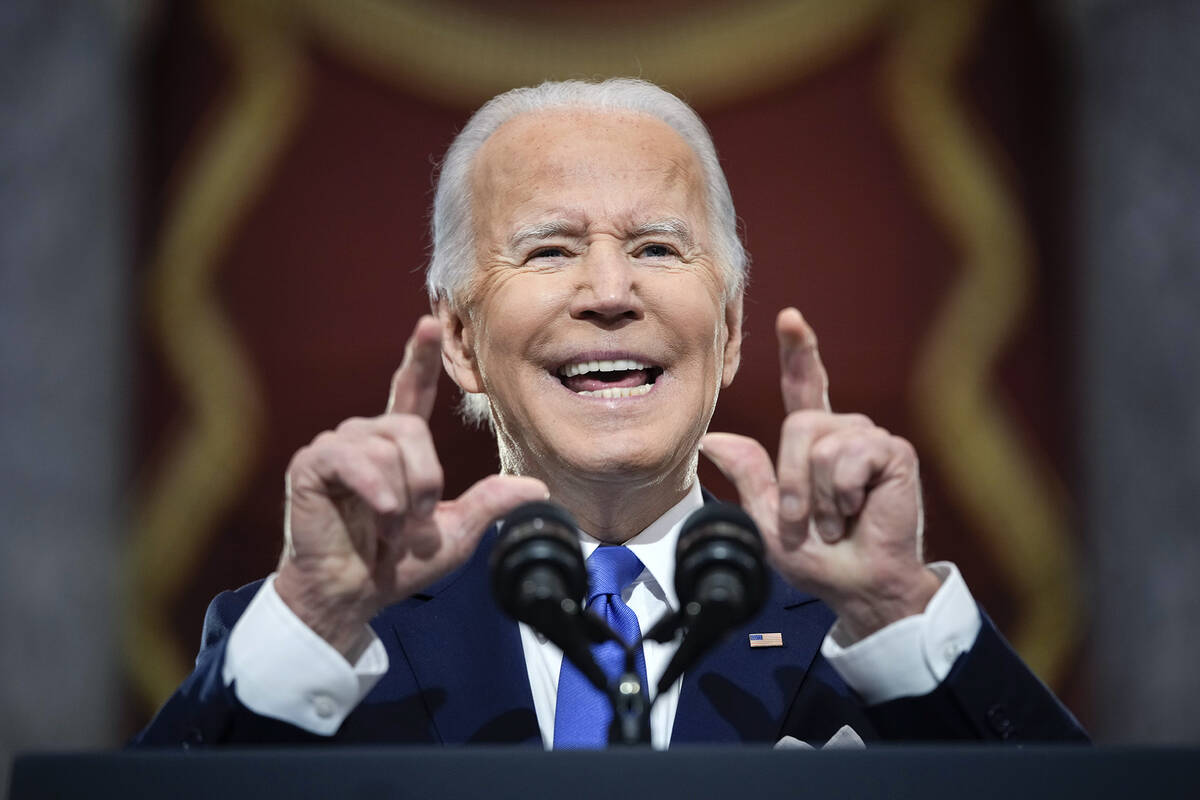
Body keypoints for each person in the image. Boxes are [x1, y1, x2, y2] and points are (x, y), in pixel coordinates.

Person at [133, 78, 1086, 748]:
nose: (609, 290)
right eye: (549, 251)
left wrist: (892, 609)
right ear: (459, 340)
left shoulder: (872, 630)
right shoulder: (335, 632)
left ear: (732, 327)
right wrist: (309, 618)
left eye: (660, 249)